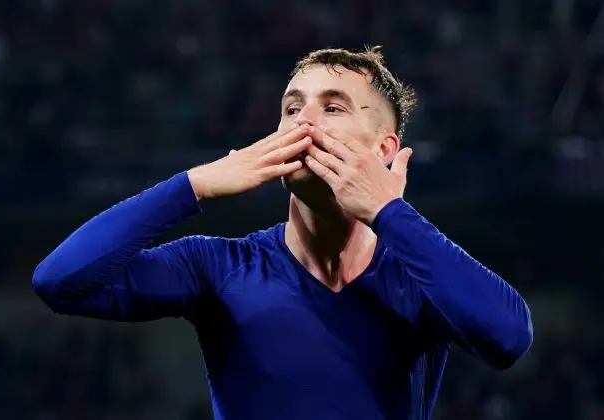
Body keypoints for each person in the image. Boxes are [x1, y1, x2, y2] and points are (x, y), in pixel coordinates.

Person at [33, 46, 533, 420]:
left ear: (385, 150)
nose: (304, 123)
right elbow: (61, 281)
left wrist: (387, 210)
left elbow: (508, 337)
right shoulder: (220, 267)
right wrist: (193, 185)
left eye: (332, 108)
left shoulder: (418, 275)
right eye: (292, 109)